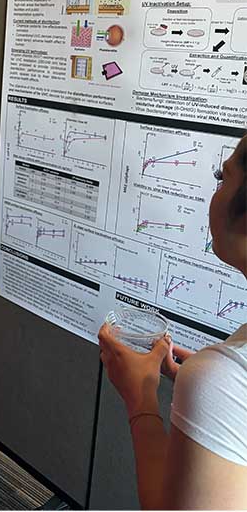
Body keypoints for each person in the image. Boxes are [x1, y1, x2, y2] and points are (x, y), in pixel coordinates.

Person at [98, 134, 247, 510]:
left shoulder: (227, 376)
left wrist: (141, 397)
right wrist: (214, 398)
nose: (217, 191)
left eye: (222, 176)